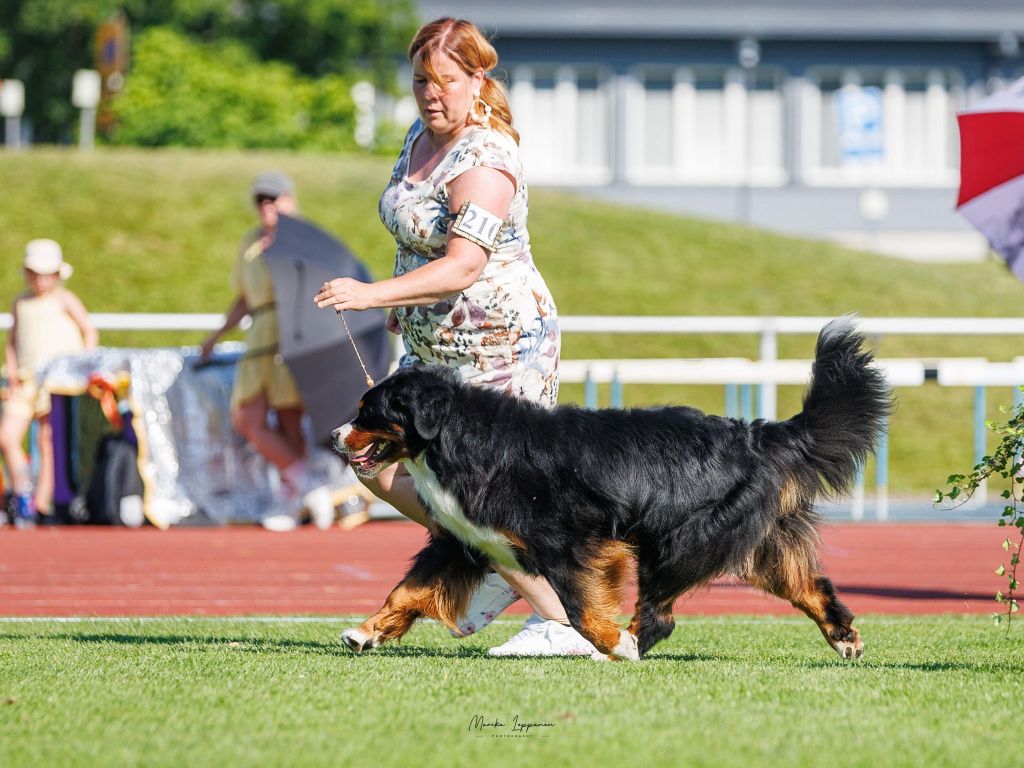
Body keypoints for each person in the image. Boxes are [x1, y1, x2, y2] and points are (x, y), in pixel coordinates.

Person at [315, 18, 597, 657]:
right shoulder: (418, 135)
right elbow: (413, 234)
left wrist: (371, 295)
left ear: (476, 79)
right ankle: (491, 559)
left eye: (444, 80)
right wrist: (401, 303)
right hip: (432, 347)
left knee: (488, 493)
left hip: (500, 346)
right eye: (420, 80)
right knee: (374, 461)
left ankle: (560, 623)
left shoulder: (486, 158)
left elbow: (466, 265)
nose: (430, 94)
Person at [201, 171, 333, 532]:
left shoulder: (304, 238)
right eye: (260, 200)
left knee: (290, 418)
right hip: (261, 332)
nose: (266, 206)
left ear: (289, 200)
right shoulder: (250, 242)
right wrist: (216, 336)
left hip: (295, 332)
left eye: (273, 198)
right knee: (247, 416)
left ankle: (292, 501)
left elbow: (319, 285)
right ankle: (308, 485)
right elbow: (245, 298)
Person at [1, 239, 98, 523]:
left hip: (55, 380)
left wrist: (82, 365)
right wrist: (12, 372)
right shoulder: (21, 302)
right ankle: (22, 492)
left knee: (46, 439)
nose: (41, 280)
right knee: (7, 436)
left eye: (47, 274)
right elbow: (12, 342)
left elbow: (89, 332)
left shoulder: (65, 299)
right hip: (24, 380)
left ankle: (42, 504)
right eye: (36, 273)